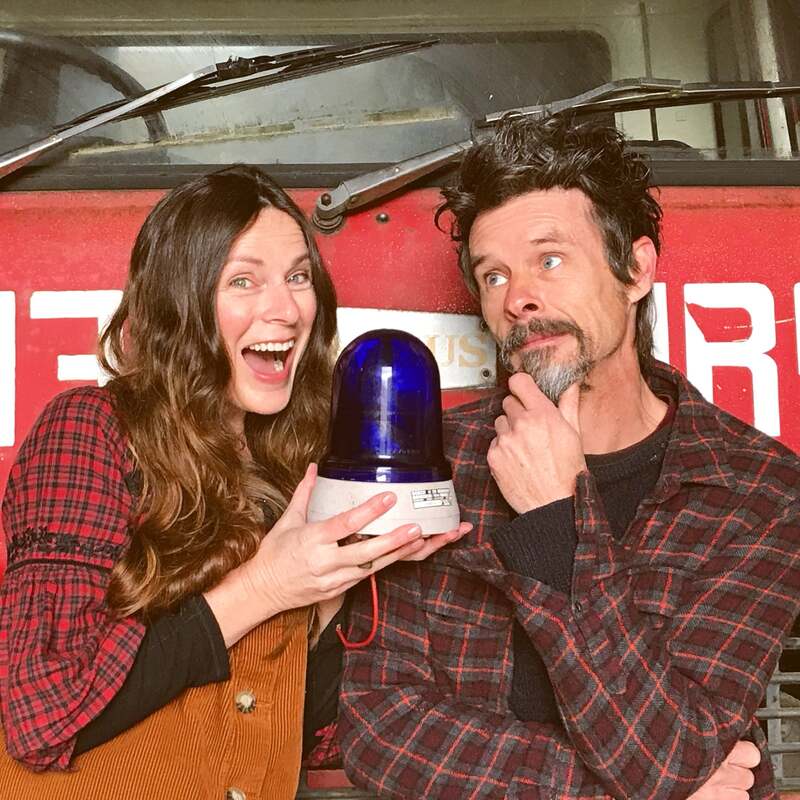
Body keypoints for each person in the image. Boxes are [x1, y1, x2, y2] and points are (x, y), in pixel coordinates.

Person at [338, 114, 800, 798]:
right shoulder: (433, 463)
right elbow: (380, 729)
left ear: (636, 268)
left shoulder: (763, 490)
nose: (518, 298)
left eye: (549, 260)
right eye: (492, 276)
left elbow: (672, 759)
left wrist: (555, 519)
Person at [0, 164, 468, 799]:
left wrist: (335, 594)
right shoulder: (92, 429)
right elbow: (42, 716)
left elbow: (299, 736)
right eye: (243, 280)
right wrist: (268, 586)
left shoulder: (299, 456)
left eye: (298, 277)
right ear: (180, 303)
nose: (285, 309)